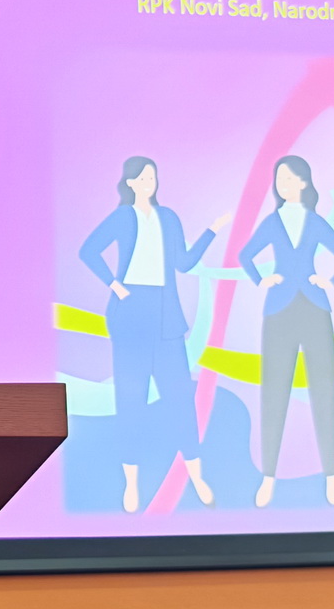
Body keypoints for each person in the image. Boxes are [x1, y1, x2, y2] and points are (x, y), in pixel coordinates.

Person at [78, 157, 228, 513]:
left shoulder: (168, 218)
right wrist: (115, 285)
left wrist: (212, 230)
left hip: (165, 316)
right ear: (130, 183)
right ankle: (131, 483)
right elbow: (88, 251)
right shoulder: (122, 217)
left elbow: (184, 263)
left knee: (180, 399)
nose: (149, 183)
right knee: (131, 400)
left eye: (152, 177)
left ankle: (196, 475)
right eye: (143, 178)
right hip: (130, 314)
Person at [239, 156, 334, 508]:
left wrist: (329, 281)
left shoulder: (315, 221)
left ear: (304, 183)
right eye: (280, 179)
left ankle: (331, 475)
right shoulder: (272, 222)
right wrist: (262, 279)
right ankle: (268, 477)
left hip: (315, 310)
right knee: (274, 394)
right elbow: (246, 256)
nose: (284, 184)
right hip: (278, 312)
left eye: (290, 178)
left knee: (324, 392)